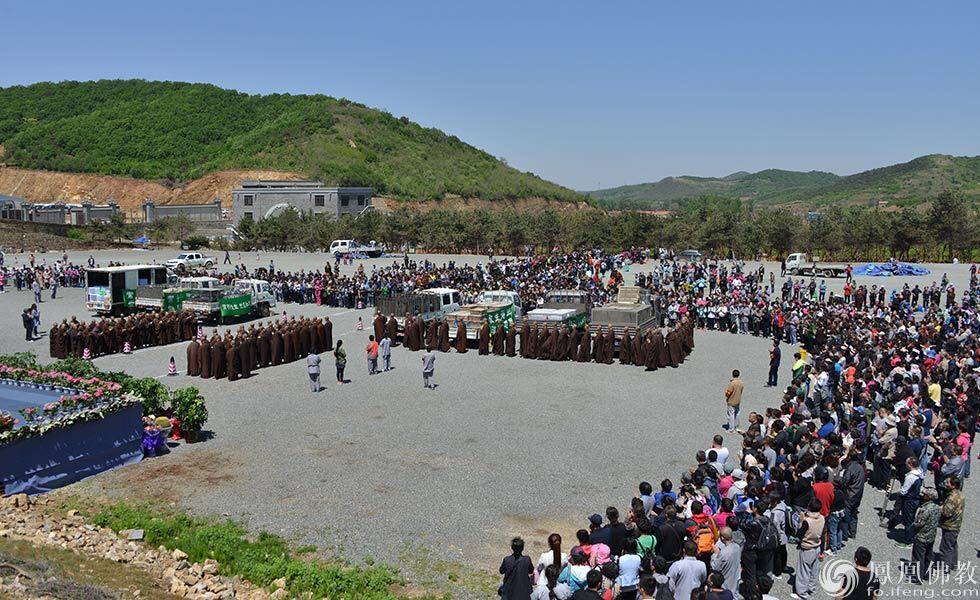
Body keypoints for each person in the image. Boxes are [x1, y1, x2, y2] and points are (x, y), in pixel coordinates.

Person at [791, 499, 824, 600]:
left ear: (809, 507)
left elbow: (799, 534)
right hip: (817, 547)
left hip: (807, 548)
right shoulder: (822, 518)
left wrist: (801, 521)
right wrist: (822, 551)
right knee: (814, 570)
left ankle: (802, 593)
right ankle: (811, 589)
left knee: (803, 572)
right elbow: (823, 534)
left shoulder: (807, 521)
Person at [910, 487, 940, 583]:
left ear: (929, 497)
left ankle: (918, 577)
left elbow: (919, 523)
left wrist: (912, 526)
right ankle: (927, 574)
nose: (923, 495)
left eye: (925, 494)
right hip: (931, 537)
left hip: (921, 537)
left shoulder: (925, 509)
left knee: (918, 558)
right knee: (928, 557)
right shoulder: (937, 508)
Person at [938, 476, 962, 572]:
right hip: (956, 524)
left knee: (945, 547)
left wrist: (940, 508)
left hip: (950, 525)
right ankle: (953, 564)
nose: (946, 483)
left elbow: (947, 513)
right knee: (953, 545)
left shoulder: (952, 498)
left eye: (948, 482)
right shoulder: (960, 493)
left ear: (953, 485)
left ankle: (946, 567)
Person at [710, 527, 740, 600]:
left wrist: (715, 554)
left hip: (726, 585)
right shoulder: (737, 547)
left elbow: (715, 567)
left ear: (722, 538)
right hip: (735, 583)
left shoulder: (723, 553)